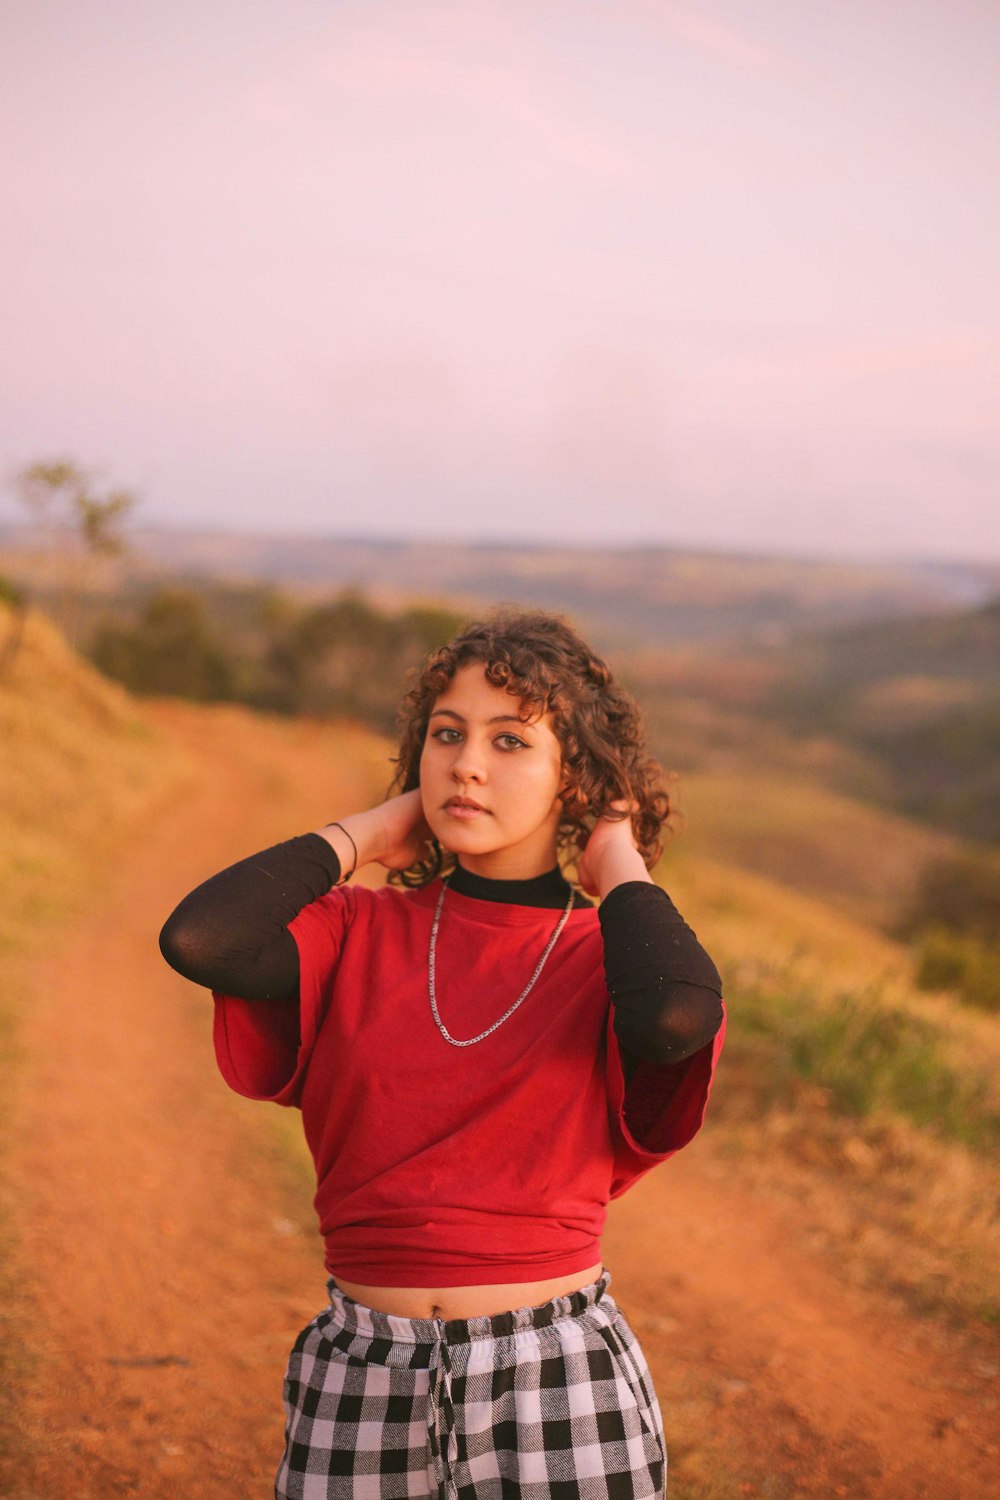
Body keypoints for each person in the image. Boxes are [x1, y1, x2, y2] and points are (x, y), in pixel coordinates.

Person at [159, 605, 726, 1500]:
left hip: (555, 1379)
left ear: (573, 781)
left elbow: (674, 1021)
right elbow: (200, 940)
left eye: (511, 743)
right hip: (362, 1372)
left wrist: (616, 855)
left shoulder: (603, 958)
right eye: (446, 734)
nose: (465, 762)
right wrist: (369, 834)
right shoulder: (355, 929)